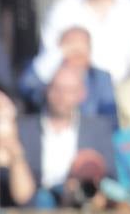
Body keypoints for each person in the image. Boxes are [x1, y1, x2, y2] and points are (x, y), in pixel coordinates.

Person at [17, 63, 118, 206]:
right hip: (36, 203)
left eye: (69, 90)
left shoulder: (98, 129)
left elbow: (110, 174)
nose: (62, 96)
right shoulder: (24, 128)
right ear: (47, 90)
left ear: (82, 94)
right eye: (57, 89)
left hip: (82, 201)